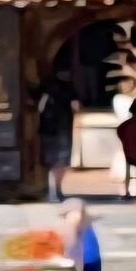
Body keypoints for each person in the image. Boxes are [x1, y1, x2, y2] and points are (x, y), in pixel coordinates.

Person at [38, 68, 77, 202]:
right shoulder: (69, 89)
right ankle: (57, 191)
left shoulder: (44, 89)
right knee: (61, 162)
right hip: (63, 128)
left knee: (51, 162)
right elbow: (76, 106)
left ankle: (52, 191)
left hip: (48, 130)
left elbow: (39, 109)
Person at [58, 200, 102, 271]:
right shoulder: (70, 228)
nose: (78, 217)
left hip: (86, 260)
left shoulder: (78, 225)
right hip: (84, 261)